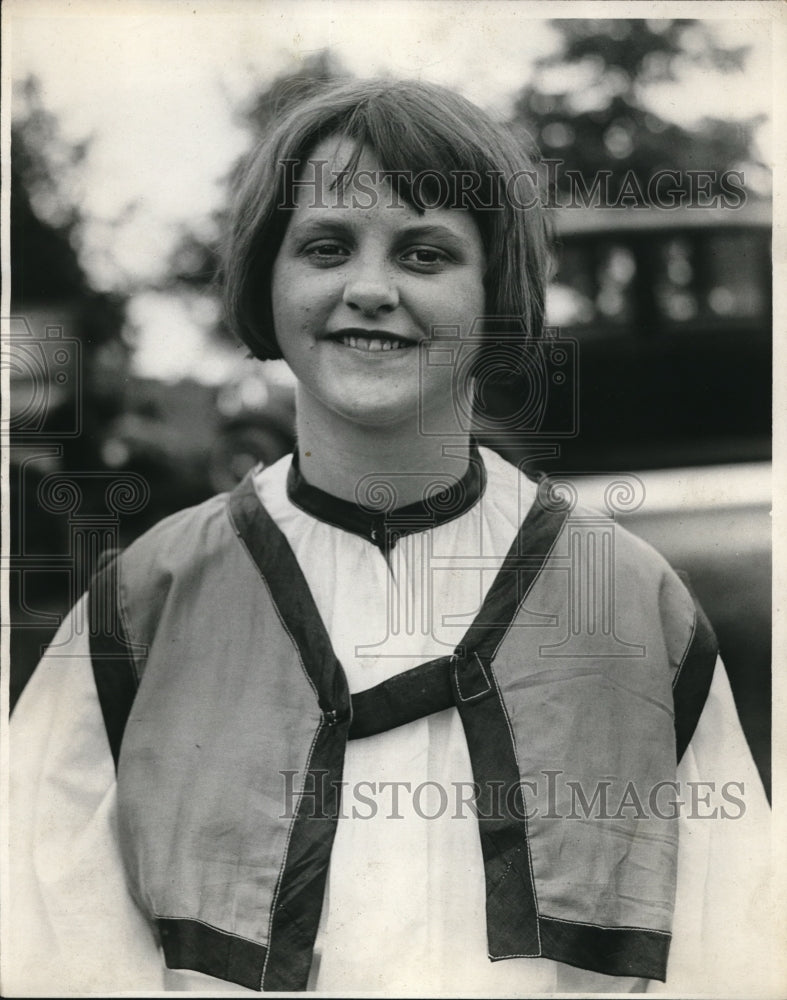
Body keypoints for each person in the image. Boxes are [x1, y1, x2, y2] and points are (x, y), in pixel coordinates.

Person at [7, 78, 772, 996]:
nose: (369, 289)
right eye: (325, 246)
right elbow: (43, 937)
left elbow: (739, 946)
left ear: (497, 294)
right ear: (266, 278)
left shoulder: (627, 602)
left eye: (424, 253)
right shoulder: (145, 603)